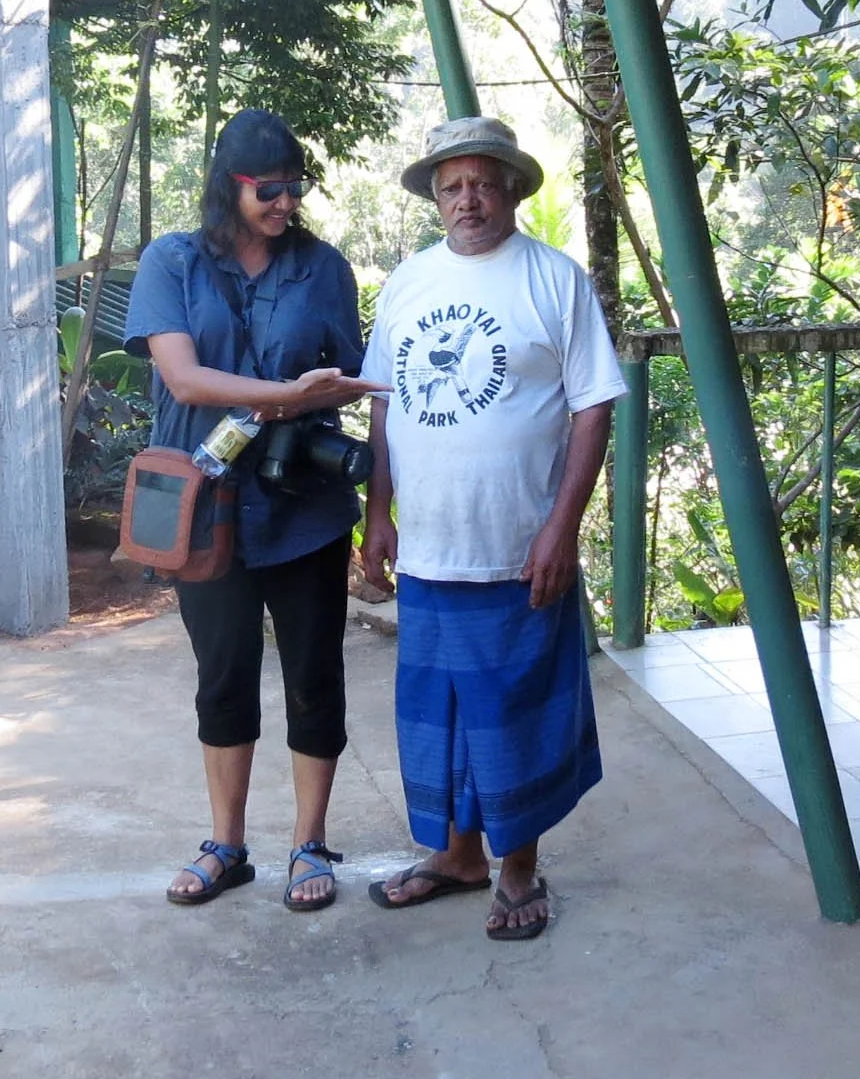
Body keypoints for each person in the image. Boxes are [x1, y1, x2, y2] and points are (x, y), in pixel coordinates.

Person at [360, 116, 629, 941]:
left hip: (517, 548)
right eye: (451, 186)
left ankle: (518, 869)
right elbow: (382, 406)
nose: (467, 199)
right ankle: (457, 857)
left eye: (481, 183)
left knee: (516, 714)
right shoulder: (408, 282)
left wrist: (561, 529)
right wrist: (376, 514)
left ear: (511, 189)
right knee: (439, 712)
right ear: (434, 198)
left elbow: (593, 407)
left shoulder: (553, 280)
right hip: (429, 545)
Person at [125, 109, 386, 913]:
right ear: (227, 186)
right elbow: (184, 380)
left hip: (302, 507)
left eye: (294, 188)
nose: (285, 203)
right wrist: (283, 396)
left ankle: (309, 843)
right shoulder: (170, 261)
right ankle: (226, 846)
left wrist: (316, 401)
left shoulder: (322, 267)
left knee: (314, 677)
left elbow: (352, 374)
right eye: (267, 190)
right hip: (204, 510)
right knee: (223, 677)